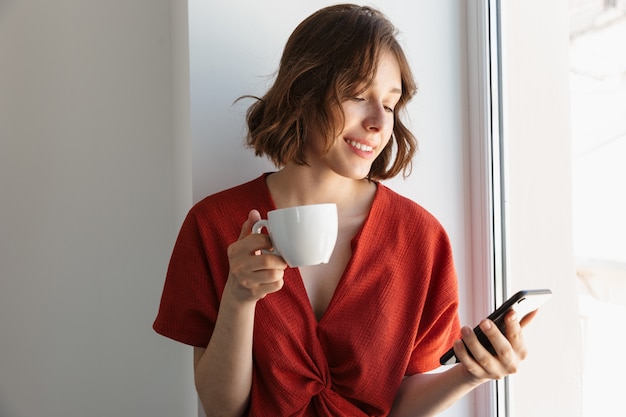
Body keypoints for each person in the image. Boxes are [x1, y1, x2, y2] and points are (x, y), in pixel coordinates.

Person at [153, 4, 535, 417]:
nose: (378, 123)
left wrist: (471, 374)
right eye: (357, 95)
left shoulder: (420, 239)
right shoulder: (214, 224)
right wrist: (239, 299)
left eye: (389, 105)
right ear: (304, 92)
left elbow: (399, 405)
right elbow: (222, 407)